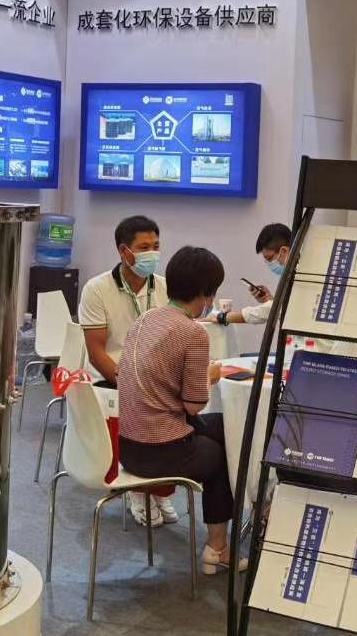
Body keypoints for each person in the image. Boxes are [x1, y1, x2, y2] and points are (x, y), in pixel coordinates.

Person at [117, 246, 246, 575]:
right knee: (227, 452)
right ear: (206, 293)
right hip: (162, 450)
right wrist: (208, 377)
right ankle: (218, 549)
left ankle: (219, 546)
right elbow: (194, 404)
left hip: (127, 446)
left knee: (228, 428)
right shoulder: (193, 332)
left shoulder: (145, 320)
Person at [78, 215, 172, 527]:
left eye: (156, 246)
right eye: (144, 247)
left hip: (153, 377)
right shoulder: (97, 289)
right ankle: (136, 487)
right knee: (142, 410)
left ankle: (160, 487)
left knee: (182, 409)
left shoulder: (165, 287)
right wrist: (132, 385)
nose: (152, 253)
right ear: (124, 251)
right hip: (111, 377)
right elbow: (96, 353)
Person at [209, 222, 291, 326]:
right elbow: (286, 309)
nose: (269, 264)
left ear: (284, 251)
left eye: (270, 258)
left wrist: (223, 317)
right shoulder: (291, 276)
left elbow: (272, 310)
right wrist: (269, 299)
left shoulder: (300, 278)